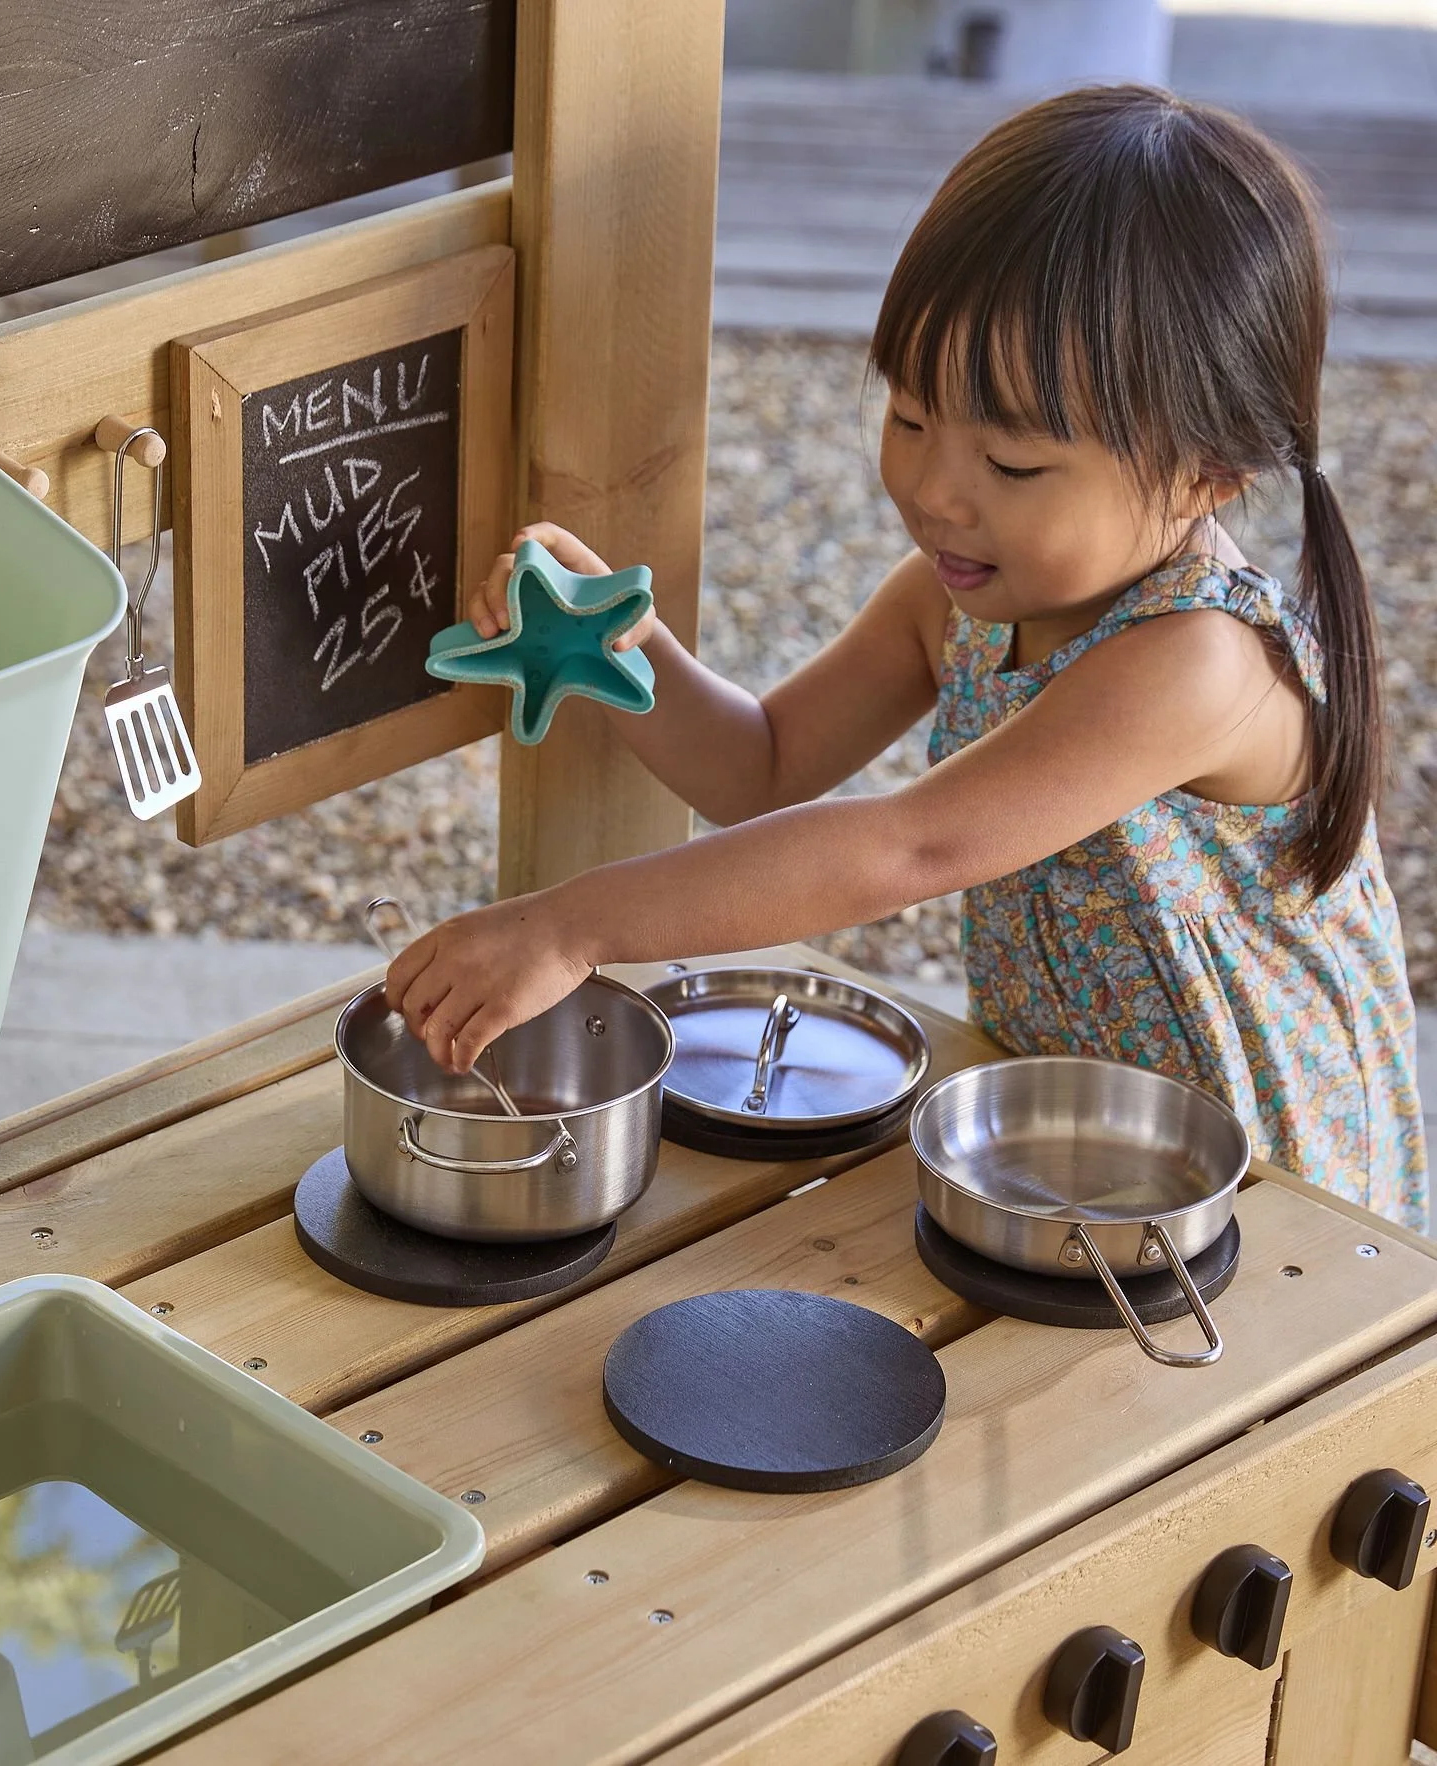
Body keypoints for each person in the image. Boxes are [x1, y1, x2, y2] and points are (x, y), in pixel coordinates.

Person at [384, 84, 1428, 1229]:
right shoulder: (954, 599)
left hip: (1267, 1186)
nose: (933, 492)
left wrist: (569, 922)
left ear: (1207, 475)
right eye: (909, 418)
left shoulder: (1197, 663)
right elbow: (759, 763)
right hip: (1061, 1140)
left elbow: (910, 843)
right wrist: (618, 644)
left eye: (1012, 465)